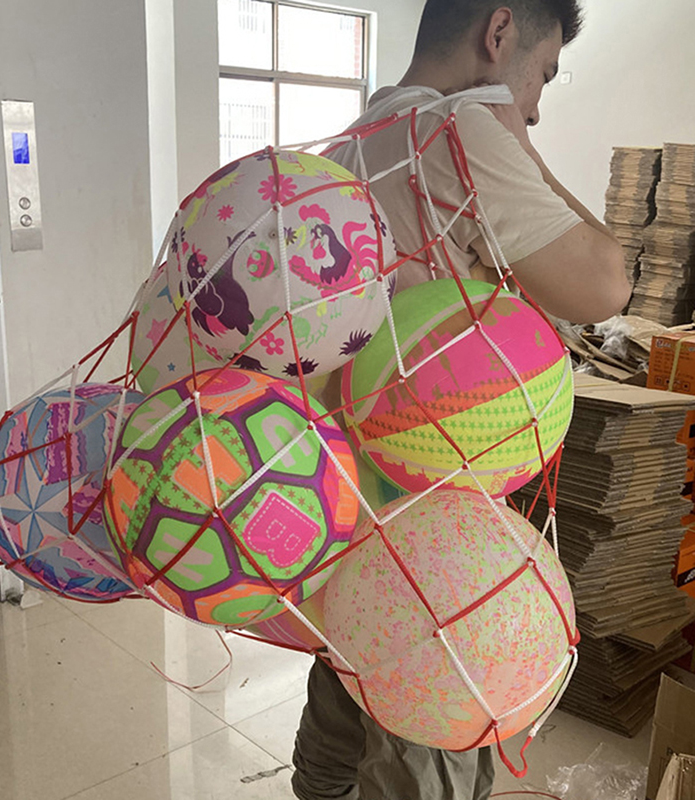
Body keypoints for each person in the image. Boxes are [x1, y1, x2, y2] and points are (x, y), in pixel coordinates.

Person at [291, 3, 630, 800]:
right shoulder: (461, 132)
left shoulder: (348, 144)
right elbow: (605, 284)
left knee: (344, 669)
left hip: (337, 491)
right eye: (543, 74)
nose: (536, 106)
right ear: (498, 32)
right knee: (433, 720)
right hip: (436, 511)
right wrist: (523, 147)